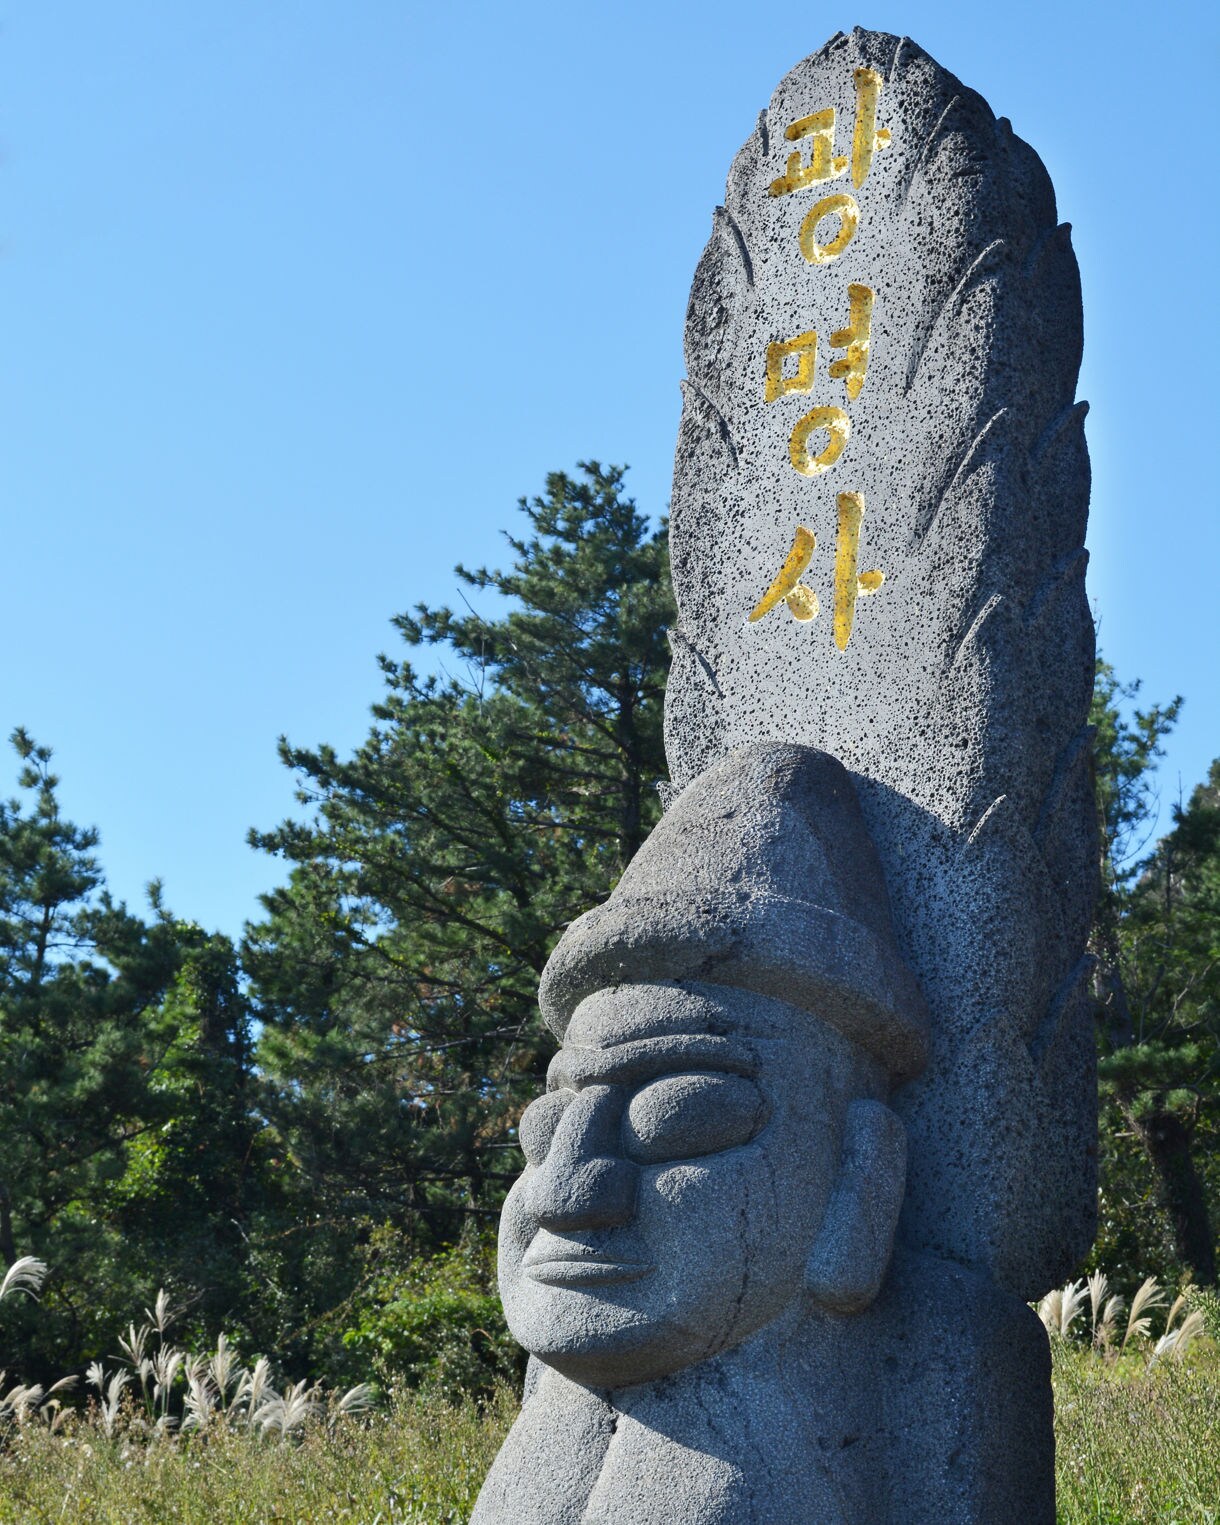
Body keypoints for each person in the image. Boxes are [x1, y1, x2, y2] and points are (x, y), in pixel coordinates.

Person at [473, 742, 929, 1525]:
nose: (564, 1192)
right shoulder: (555, 1392)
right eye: (547, 1123)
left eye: (681, 1112)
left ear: (862, 1178)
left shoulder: (944, 1355)